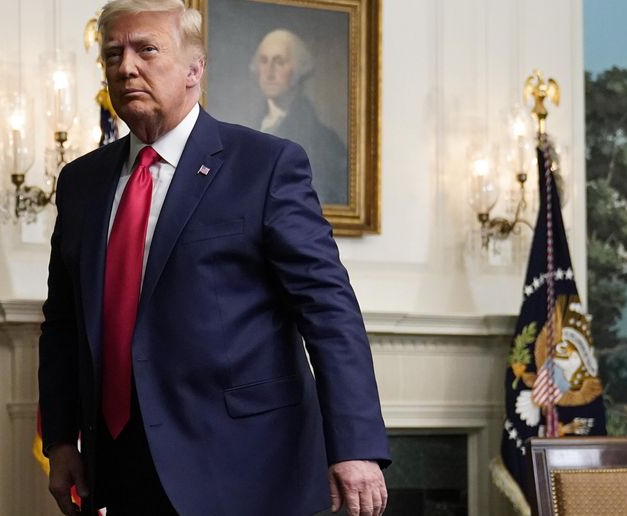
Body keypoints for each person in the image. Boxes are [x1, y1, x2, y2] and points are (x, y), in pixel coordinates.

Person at [37, 1, 390, 515]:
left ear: (194, 69)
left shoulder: (265, 166)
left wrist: (355, 445)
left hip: (248, 469)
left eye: (146, 49)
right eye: (113, 54)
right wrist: (62, 440)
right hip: (120, 466)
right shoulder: (81, 183)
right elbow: (63, 324)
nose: (126, 67)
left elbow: (328, 310)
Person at [249, 29, 348, 205]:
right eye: (264, 61)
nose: (269, 72)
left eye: (279, 62)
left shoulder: (325, 141)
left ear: (298, 69)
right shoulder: (250, 126)